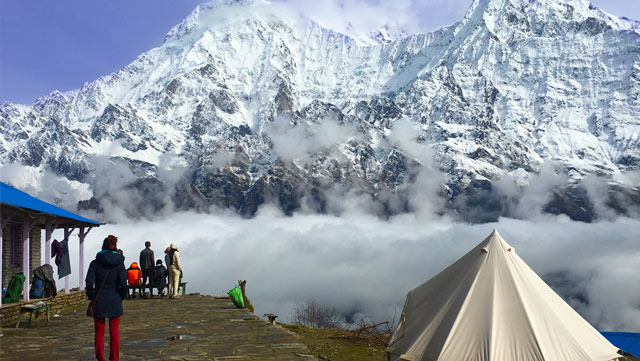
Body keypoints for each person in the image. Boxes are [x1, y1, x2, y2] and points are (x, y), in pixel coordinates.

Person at [85, 235, 127, 361]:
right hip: (115, 299)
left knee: (99, 331)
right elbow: (123, 283)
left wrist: (92, 296)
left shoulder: (95, 263)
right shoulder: (119, 263)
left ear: (103, 246)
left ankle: (100, 358)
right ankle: (114, 358)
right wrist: (121, 296)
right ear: (115, 246)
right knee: (114, 331)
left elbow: (89, 283)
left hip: (99, 300)